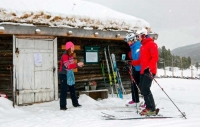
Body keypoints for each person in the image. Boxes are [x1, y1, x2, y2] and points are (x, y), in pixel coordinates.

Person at [131, 28, 159, 115]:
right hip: (143, 71)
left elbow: (155, 57)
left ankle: (151, 109)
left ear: (143, 35)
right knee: (142, 89)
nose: (137, 38)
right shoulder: (142, 46)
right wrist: (131, 63)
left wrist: (149, 68)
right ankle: (149, 106)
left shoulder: (151, 44)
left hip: (150, 71)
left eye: (138, 36)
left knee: (145, 89)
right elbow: (140, 60)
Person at [59, 41, 84, 110]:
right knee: (64, 90)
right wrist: (77, 64)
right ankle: (63, 106)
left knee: (72, 89)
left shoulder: (70, 56)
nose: (73, 48)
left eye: (73, 47)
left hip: (70, 74)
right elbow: (68, 66)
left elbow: (72, 66)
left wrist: (78, 66)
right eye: (72, 47)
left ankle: (75, 103)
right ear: (69, 48)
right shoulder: (65, 56)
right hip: (63, 74)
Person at [124, 33, 141, 107]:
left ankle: (147, 103)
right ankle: (135, 100)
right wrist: (130, 64)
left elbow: (138, 59)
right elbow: (133, 59)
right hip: (135, 68)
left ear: (133, 40)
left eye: (128, 41)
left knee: (141, 86)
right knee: (133, 84)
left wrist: (132, 63)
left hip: (140, 69)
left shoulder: (137, 46)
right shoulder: (132, 47)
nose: (128, 42)